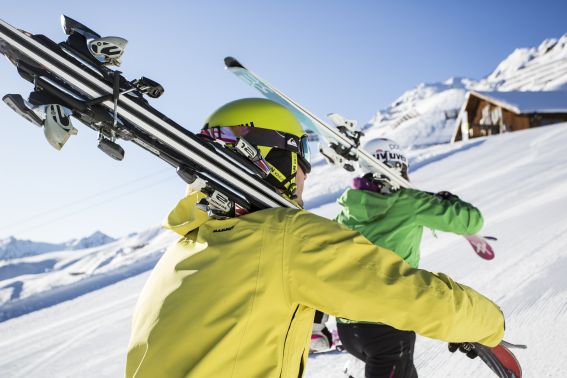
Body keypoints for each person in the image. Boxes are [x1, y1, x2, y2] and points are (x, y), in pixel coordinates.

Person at [126, 98, 504, 378]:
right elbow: (414, 296)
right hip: (386, 324)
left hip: (348, 324)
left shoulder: (180, 252)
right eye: (299, 157)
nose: (306, 173)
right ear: (273, 159)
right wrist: (491, 324)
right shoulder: (285, 236)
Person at [331, 137, 485, 377]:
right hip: (387, 327)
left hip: (349, 330)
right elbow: (471, 220)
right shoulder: (409, 203)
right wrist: (449, 200)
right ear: (398, 167)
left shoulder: (347, 210)